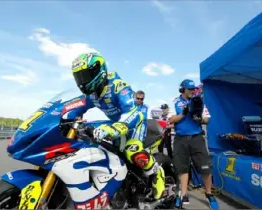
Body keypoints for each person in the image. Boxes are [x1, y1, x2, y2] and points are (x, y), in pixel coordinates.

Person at [67, 52, 166, 200]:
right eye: (79, 77)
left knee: (132, 151)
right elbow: (73, 108)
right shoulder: (91, 95)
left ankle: (157, 172)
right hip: (114, 126)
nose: (82, 81)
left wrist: (114, 128)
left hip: (134, 123)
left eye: (86, 75)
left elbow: (132, 112)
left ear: (99, 71)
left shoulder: (119, 86)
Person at [169, 79, 219, 210]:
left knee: (205, 168)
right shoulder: (175, 101)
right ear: (182, 89)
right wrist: (183, 114)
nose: (192, 91)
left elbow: (207, 119)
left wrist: (199, 119)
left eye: (193, 89)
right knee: (182, 168)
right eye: (190, 89)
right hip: (181, 139)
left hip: (197, 138)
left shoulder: (199, 101)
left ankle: (209, 194)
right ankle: (183, 194)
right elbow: (171, 120)